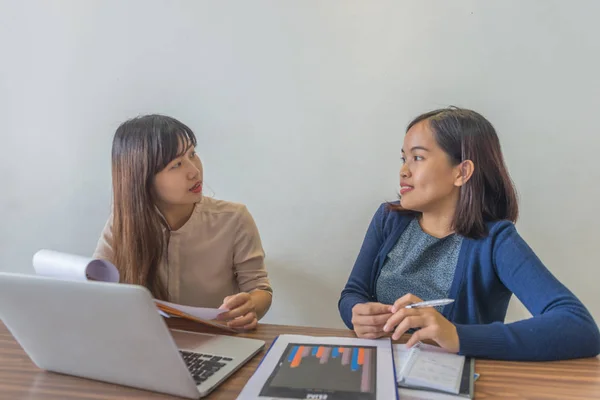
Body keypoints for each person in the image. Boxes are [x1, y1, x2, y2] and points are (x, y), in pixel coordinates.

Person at [338, 107, 600, 360]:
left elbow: (579, 327)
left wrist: (456, 335)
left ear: (462, 172)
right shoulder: (388, 219)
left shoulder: (496, 241)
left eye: (417, 157)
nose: (403, 170)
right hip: (378, 371)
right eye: (403, 158)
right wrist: (356, 313)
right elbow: (352, 294)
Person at [94, 114, 272, 330]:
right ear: (142, 178)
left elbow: (260, 290)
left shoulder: (234, 218)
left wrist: (250, 305)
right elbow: (97, 290)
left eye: (192, 154)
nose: (194, 171)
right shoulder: (123, 223)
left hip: (217, 340)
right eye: (177, 164)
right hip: (149, 344)